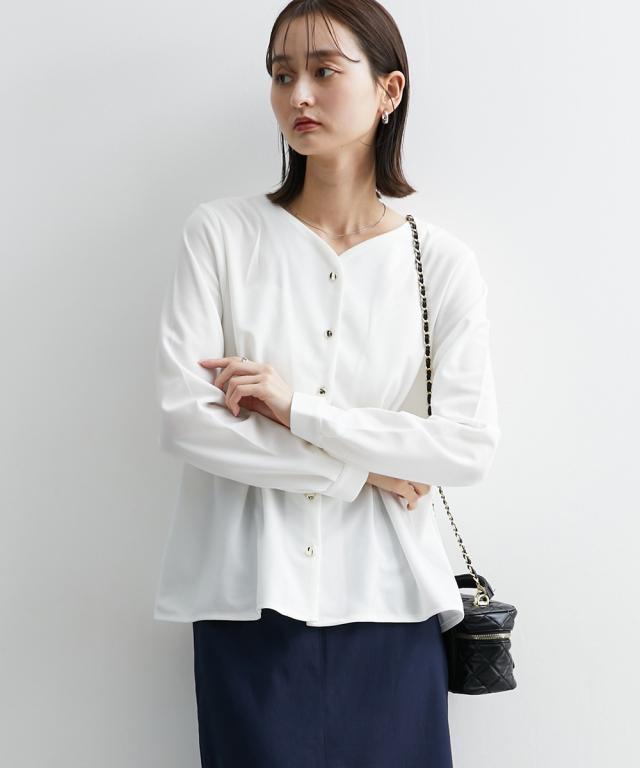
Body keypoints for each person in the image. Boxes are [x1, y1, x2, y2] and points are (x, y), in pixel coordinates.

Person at [153, 1, 501, 766]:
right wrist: (364, 469)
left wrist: (295, 409)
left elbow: (466, 447)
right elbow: (187, 418)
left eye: (323, 71)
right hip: (250, 597)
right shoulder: (222, 235)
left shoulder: (439, 263)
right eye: (282, 75)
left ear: (389, 90)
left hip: (392, 600)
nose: (298, 95)